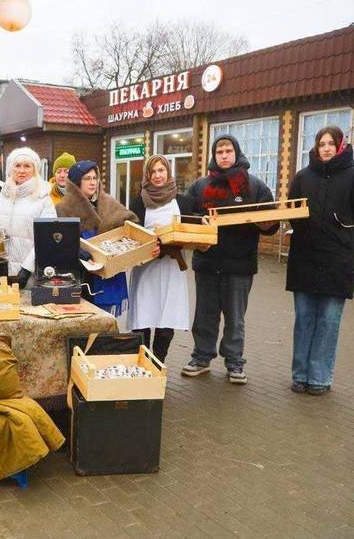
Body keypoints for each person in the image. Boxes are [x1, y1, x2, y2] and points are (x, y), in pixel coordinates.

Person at [181, 134, 278, 384]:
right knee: (205, 314)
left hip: (240, 264)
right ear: (214, 156)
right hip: (207, 263)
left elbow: (271, 224)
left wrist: (266, 223)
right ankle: (201, 357)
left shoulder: (254, 186)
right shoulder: (201, 187)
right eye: (220, 151)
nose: (224, 155)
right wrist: (195, 221)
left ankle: (234, 362)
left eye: (228, 151)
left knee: (235, 318)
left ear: (237, 153)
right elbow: (185, 215)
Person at [286, 126, 354, 395]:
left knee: (328, 322)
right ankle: (300, 375)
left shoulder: (351, 175)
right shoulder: (303, 176)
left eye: (330, 143)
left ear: (340, 146)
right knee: (304, 319)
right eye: (321, 143)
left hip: (338, 260)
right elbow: (291, 210)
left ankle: (320, 378)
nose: (325, 148)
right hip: (305, 258)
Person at [127, 155, 192, 363]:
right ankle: (143, 362)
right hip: (146, 268)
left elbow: (192, 230)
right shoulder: (139, 202)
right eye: (153, 172)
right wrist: (146, 248)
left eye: (161, 170)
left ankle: (158, 361)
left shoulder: (182, 202)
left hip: (171, 268)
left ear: (168, 172)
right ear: (147, 175)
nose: (157, 175)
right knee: (142, 317)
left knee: (167, 318)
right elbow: (130, 235)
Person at [55, 160, 138, 315]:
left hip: (108, 272)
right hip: (82, 274)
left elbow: (128, 227)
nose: (92, 183)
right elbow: (63, 241)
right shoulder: (63, 208)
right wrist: (86, 256)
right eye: (87, 179)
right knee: (84, 323)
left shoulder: (108, 203)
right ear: (75, 182)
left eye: (95, 178)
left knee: (105, 324)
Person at [0, 147, 56, 288]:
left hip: (31, 275)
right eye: (17, 165)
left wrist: (26, 269)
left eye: (27, 166)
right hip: (1, 272)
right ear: (10, 169)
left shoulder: (43, 199)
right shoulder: (0, 198)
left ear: (34, 169)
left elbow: (47, 238)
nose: (21, 170)